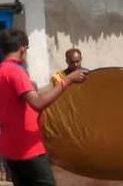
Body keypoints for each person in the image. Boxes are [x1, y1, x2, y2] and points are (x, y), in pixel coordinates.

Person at [0, 29, 88, 186]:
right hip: (28, 149)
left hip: (10, 149)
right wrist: (67, 80)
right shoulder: (16, 72)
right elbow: (38, 103)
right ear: (22, 48)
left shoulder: (2, 71)